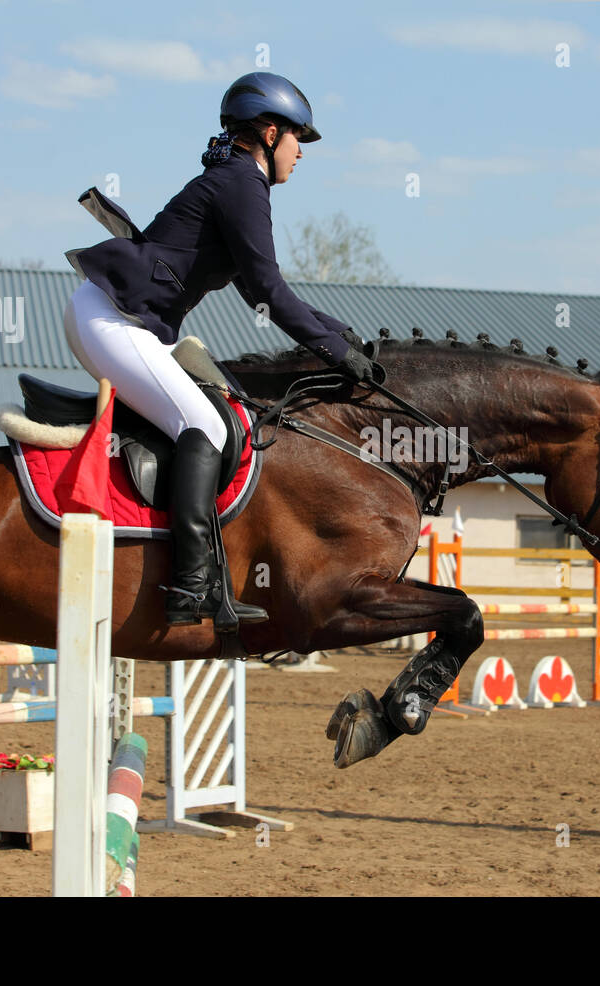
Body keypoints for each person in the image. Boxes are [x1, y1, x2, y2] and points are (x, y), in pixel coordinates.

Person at [62, 71, 376, 627]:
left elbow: (266, 289)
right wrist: (335, 349)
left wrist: (340, 334)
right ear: (271, 132)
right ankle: (190, 587)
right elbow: (266, 290)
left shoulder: (236, 180)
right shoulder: (240, 183)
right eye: (300, 139)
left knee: (218, 414)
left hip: (123, 320)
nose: (302, 153)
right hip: (112, 320)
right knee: (203, 426)